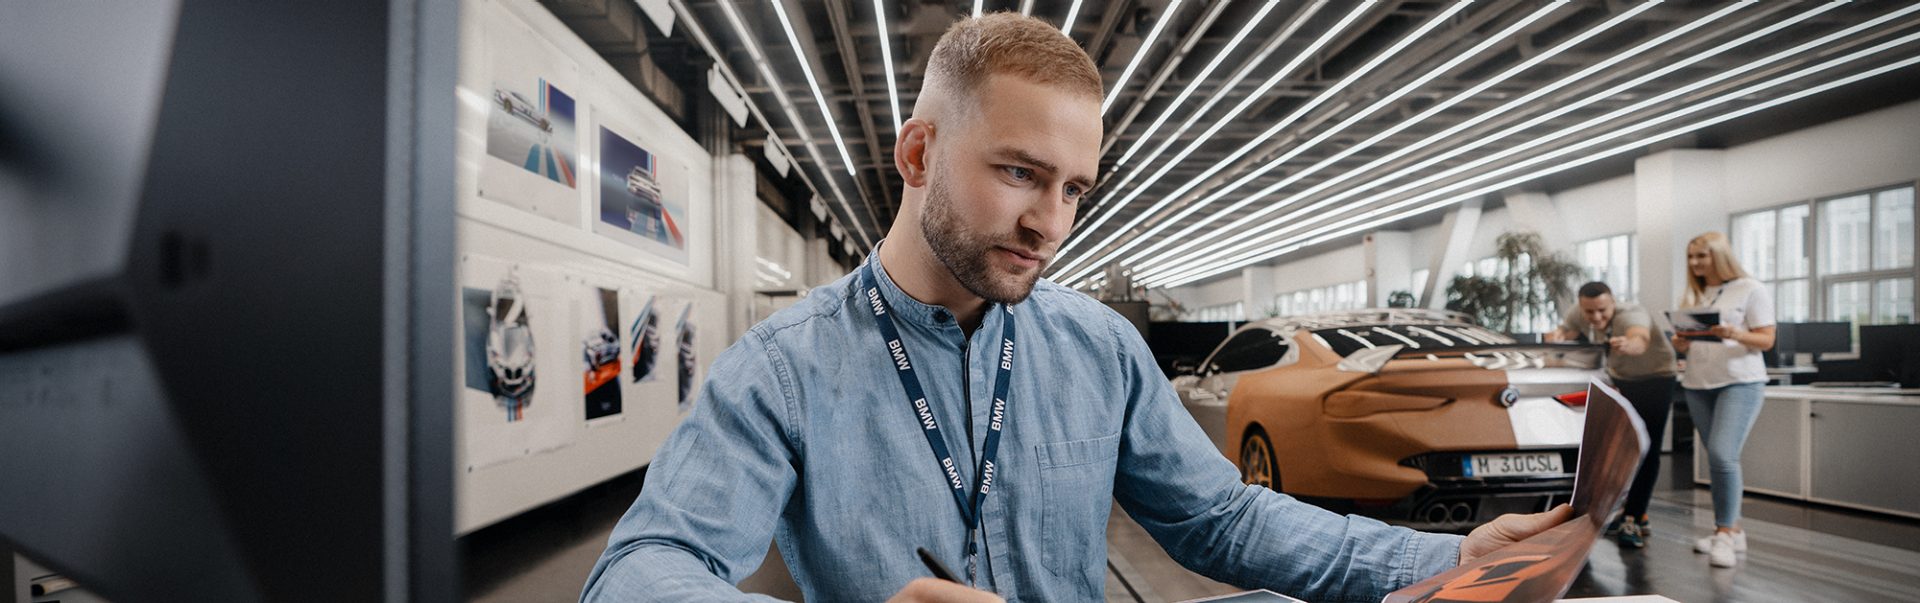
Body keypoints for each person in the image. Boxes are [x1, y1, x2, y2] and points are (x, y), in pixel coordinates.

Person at [580, 14, 1570, 602]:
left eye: (1073, 189)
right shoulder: (785, 369)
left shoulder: (1097, 349)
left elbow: (1218, 518)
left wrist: (1437, 560)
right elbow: (639, 572)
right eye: (1019, 173)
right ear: (919, 155)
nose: (1049, 221)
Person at [1668, 232, 1775, 568]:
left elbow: (1767, 340)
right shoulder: (1695, 294)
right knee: (1717, 461)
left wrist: (1734, 333)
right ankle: (1733, 530)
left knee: (1722, 454)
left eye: (1702, 256)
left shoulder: (1751, 288)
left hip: (1739, 382)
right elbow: (1689, 342)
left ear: (1719, 255)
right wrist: (1681, 343)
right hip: (1698, 383)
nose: (1696, 263)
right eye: (1691, 257)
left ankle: (1724, 533)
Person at [1545, 281, 1678, 549]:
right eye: (1589, 312)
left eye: (1602, 311)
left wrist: (1630, 344)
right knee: (1617, 448)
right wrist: (1558, 335)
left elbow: (1640, 339)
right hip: (1620, 380)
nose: (1596, 318)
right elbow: (1567, 331)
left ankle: (1633, 517)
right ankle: (1629, 511)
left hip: (1656, 379)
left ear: (1613, 302)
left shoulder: (1631, 314)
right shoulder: (1579, 312)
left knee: (1646, 447)